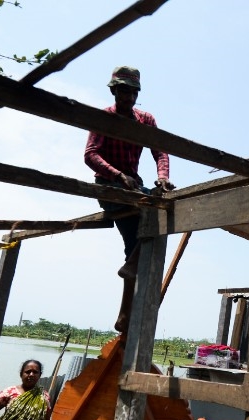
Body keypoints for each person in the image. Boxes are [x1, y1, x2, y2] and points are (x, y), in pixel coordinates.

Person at [84, 66, 175, 332]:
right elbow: (90, 155)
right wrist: (117, 175)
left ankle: (125, 314)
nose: (130, 97)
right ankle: (131, 268)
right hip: (109, 187)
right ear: (114, 91)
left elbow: (160, 151)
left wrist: (162, 177)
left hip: (134, 187)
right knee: (151, 215)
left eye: (134, 92)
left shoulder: (145, 119)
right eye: (124, 91)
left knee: (138, 243)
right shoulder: (104, 118)